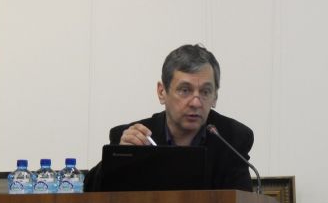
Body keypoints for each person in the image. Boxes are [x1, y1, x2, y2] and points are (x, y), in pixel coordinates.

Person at [84, 44, 254, 192]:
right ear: (162, 92)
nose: (196, 102)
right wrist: (118, 159)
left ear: (215, 97)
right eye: (185, 90)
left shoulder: (232, 138)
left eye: (205, 92)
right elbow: (89, 190)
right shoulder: (136, 138)